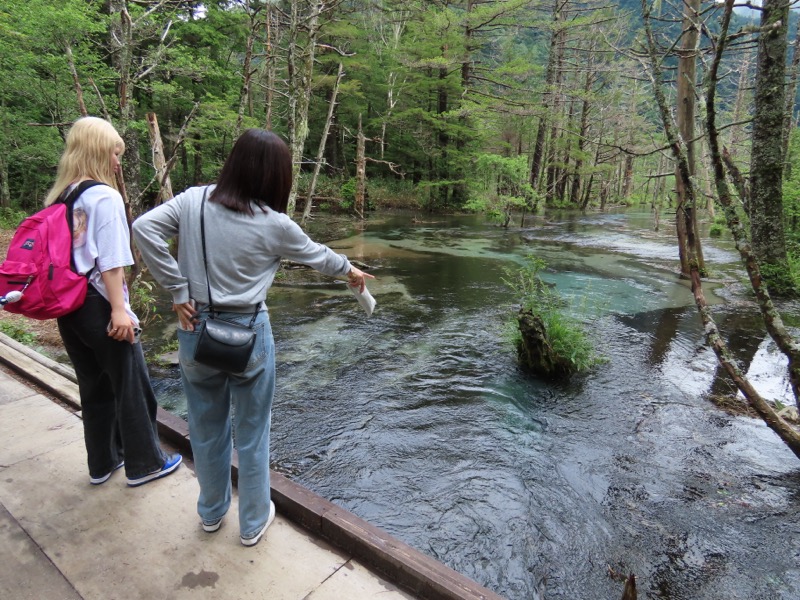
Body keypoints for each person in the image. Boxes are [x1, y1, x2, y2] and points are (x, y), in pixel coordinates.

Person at [132, 129, 373, 547]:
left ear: (234, 163)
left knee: (205, 429)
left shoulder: (192, 201)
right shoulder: (275, 224)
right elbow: (322, 257)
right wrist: (351, 272)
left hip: (195, 330)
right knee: (253, 433)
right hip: (249, 335)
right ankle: (253, 522)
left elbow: (143, 228)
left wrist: (178, 290)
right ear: (276, 177)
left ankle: (210, 513)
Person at [47, 117, 182, 488]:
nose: (118, 162)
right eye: (114, 153)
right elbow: (110, 260)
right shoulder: (103, 196)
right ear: (97, 151)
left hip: (69, 306)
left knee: (93, 388)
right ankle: (146, 464)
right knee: (132, 385)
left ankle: (103, 463)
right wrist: (120, 311)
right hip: (99, 304)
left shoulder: (63, 196)